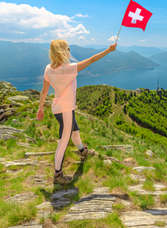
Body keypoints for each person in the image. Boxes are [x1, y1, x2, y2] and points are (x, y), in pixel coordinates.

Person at [36, 39, 117, 184]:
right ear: (64, 51)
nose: (69, 51)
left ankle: (82, 151)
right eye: (68, 49)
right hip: (66, 109)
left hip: (58, 108)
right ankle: (58, 174)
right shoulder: (69, 68)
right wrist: (108, 50)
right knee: (63, 141)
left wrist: (40, 108)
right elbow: (92, 60)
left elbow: (44, 91)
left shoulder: (48, 68)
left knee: (75, 131)